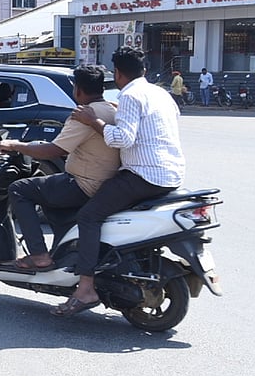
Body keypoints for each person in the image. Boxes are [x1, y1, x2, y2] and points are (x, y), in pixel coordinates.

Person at [62, 47, 185, 317]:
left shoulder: (129, 95)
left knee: (89, 216)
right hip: (172, 173)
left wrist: (92, 120)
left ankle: (85, 288)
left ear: (117, 73)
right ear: (144, 69)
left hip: (144, 175)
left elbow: (122, 139)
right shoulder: (160, 93)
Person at [0, 65, 120, 270]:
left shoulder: (83, 114)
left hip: (82, 184)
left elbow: (54, 150)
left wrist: (15, 145)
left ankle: (38, 256)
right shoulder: (112, 109)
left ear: (77, 89)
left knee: (19, 189)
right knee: (48, 193)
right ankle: (61, 252)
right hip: (106, 184)